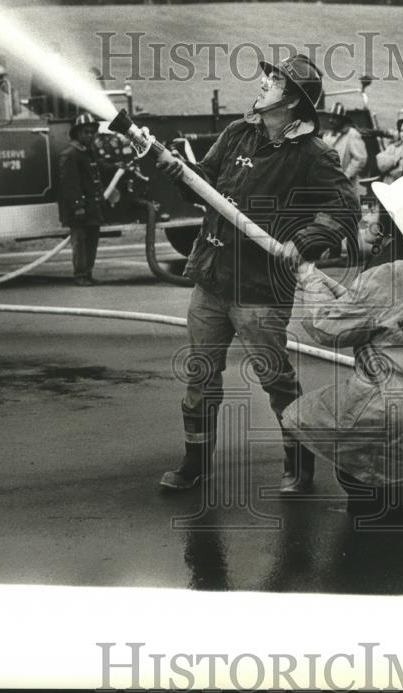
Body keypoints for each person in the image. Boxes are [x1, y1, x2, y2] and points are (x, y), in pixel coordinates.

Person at [153, 54, 361, 494]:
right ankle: (195, 463)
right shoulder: (237, 133)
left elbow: (345, 208)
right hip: (211, 278)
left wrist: (304, 240)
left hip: (261, 289)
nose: (264, 81)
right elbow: (204, 181)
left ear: (295, 101)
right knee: (200, 374)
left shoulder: (312, 154)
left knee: (274, 376)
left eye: (276, 79)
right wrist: (179, 173)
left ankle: (299, 465)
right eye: (268, 75)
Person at [282, 172, 403, 515]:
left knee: (301, 415)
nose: (370, 218)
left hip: (394, 404)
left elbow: (327, 327)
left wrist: (309, 279)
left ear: (390, 226)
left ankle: (375, 497)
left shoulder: (381, 278)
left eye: (377, 213)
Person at [58, 113, 105, 286]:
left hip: (92, 207)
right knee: (80, 242)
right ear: (77, 133)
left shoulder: (89, 153)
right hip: (78, 209)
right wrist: (78, 206)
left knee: (92, 241)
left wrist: (118, 167)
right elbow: (70, 184)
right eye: (86, 132)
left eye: (92, 132)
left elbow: (98, 170)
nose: (90, 135)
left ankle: (88, 273)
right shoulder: (70, 155)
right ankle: (80, 274)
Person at [322, 102, 368, 198]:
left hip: (347, 186)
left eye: (335, 118)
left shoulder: (352, 134)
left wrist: (346, 175)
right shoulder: (327, 135)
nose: (331, 120)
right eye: (330, 117)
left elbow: (360, 158)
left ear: (342, 119)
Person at [374, 108, 403, 184]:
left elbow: (399, 172)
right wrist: (394, 160)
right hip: (389, 184)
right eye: (402, 130)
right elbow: (380, 163)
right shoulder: (394, 147)